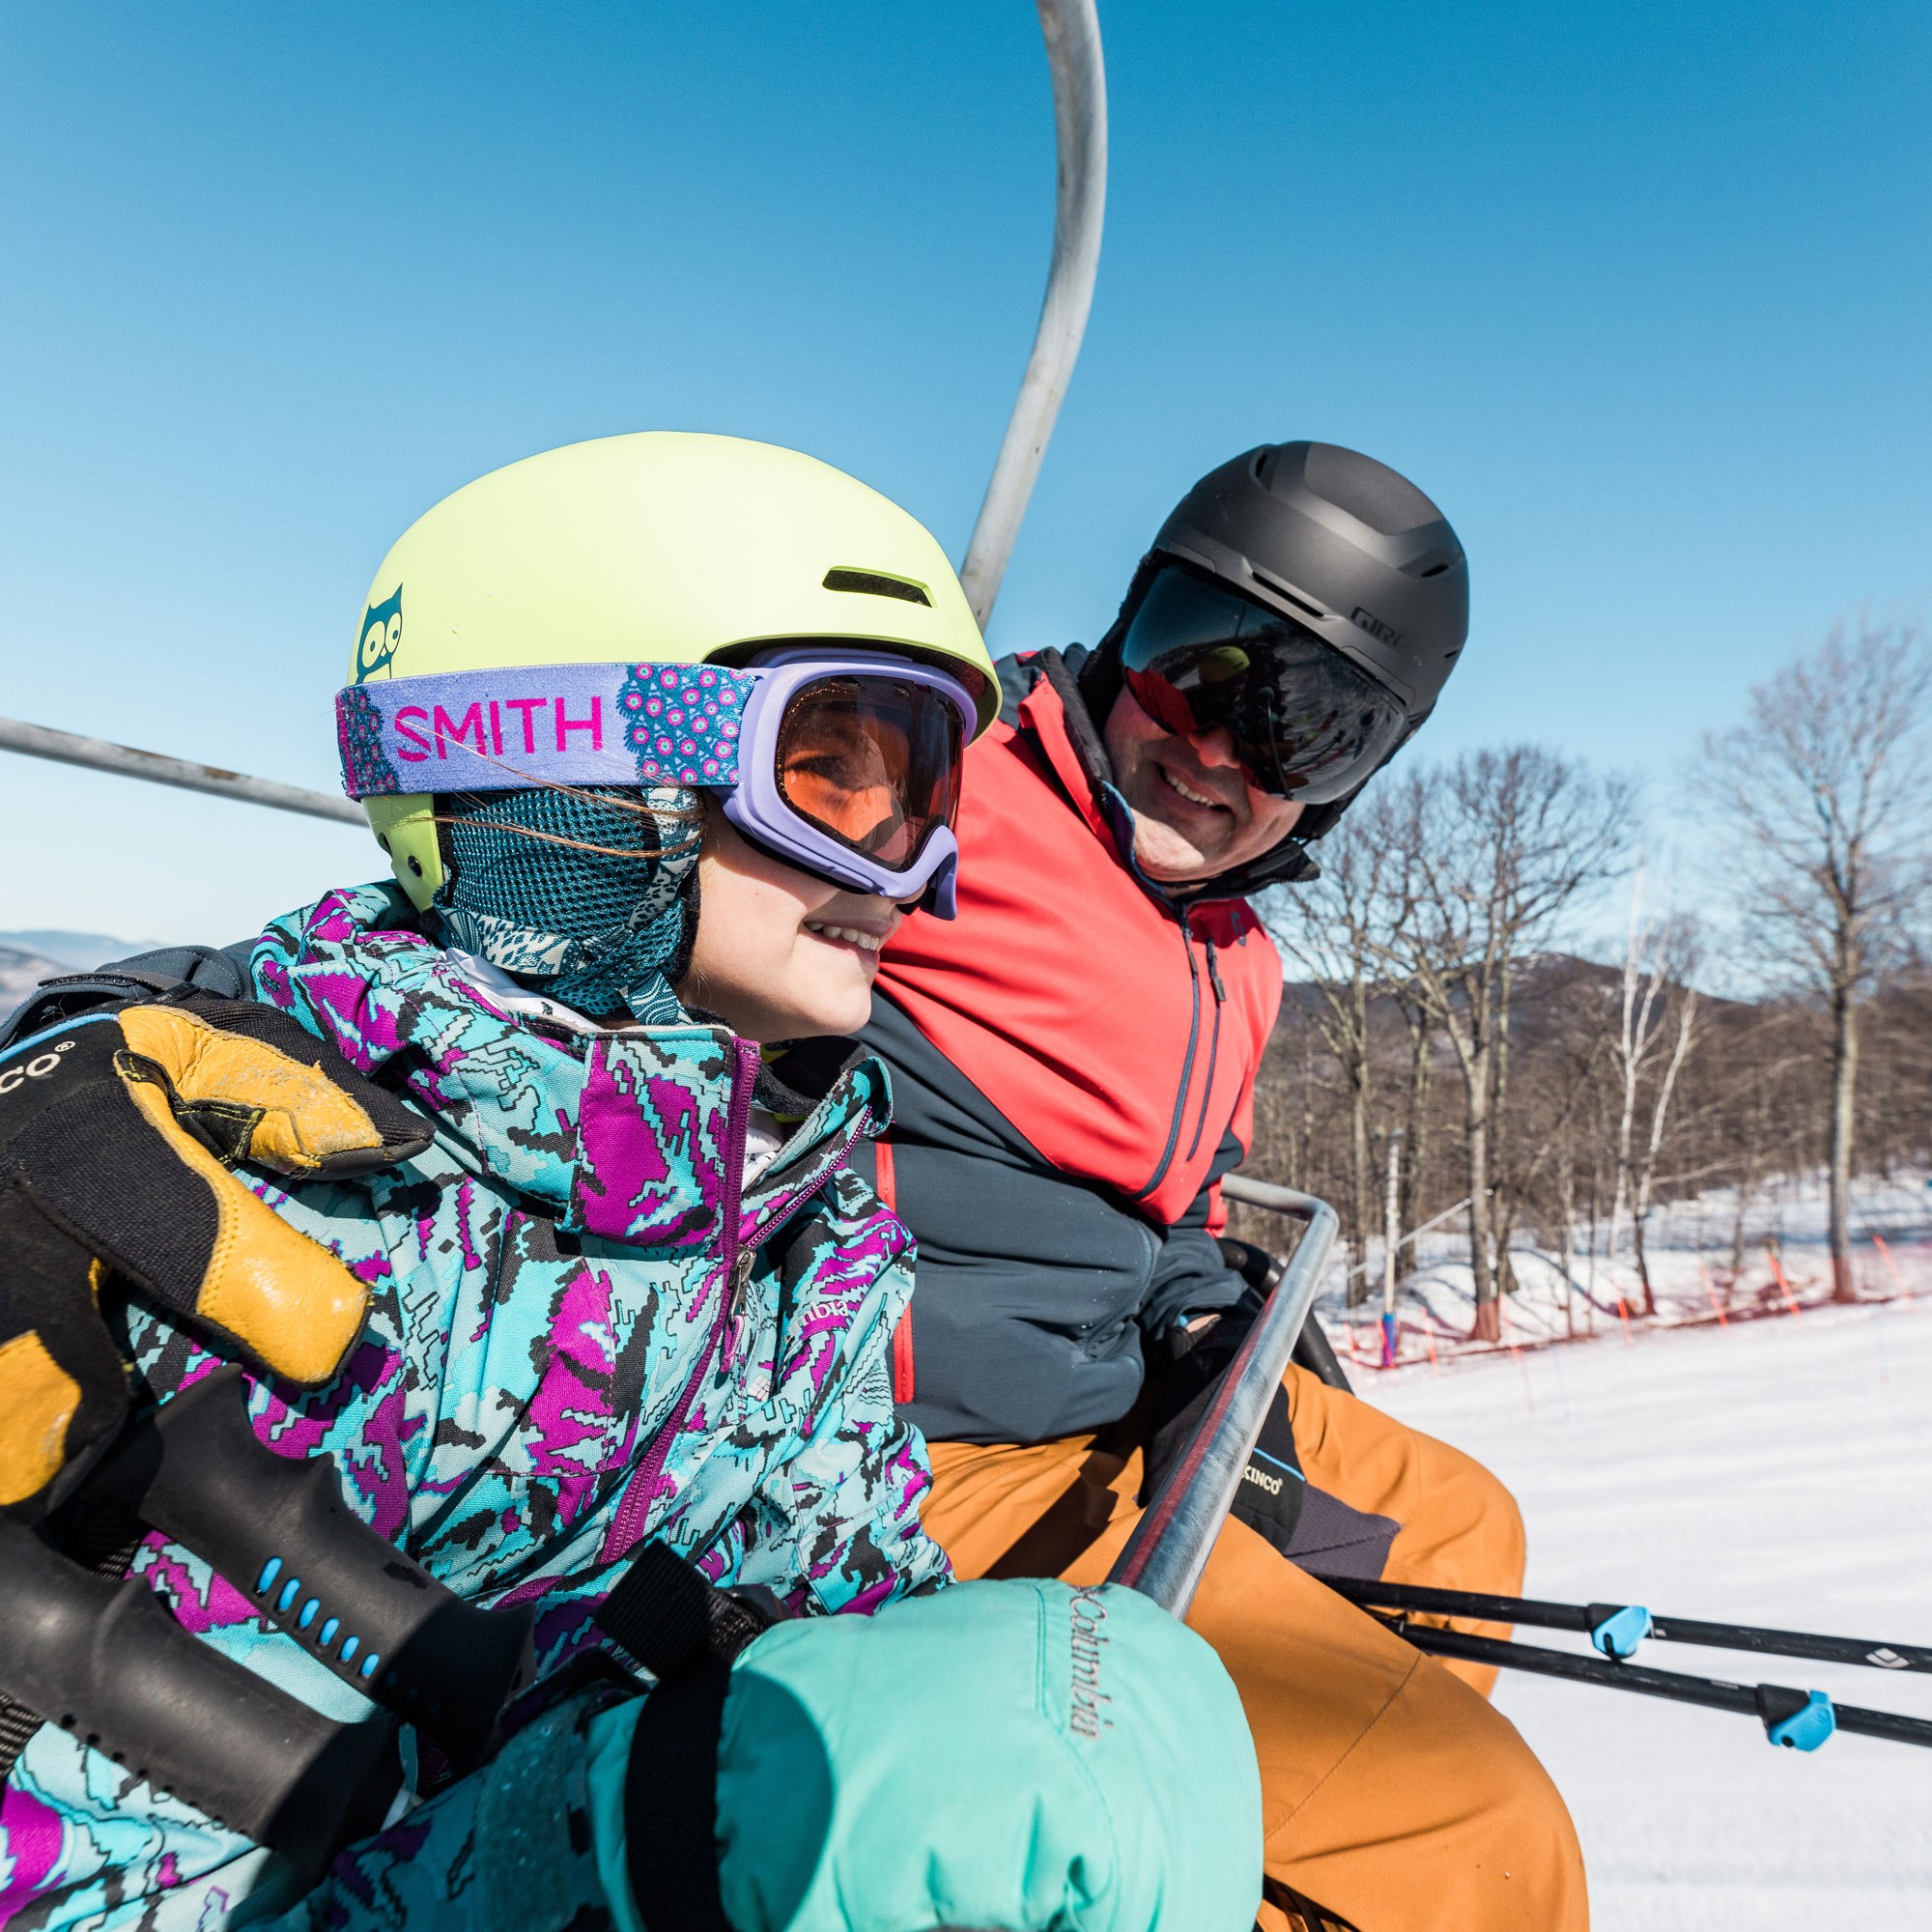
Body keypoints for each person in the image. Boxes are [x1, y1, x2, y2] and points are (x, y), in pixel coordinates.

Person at [0, 432, 1264, 1932]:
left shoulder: (800, 1191)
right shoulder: (218, 1178)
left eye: (922, 796)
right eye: (828, 772)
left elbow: (845, 1584)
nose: (901, 877)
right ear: (581, 771)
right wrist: (643, 1838)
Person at [858, 441, 1589, 1931]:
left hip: (1110, 1393)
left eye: (1305, 734)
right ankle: (1316, 1817)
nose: (1215, 755)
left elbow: (1176, 1209)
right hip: (925, 1436)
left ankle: (1215, 1857)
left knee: (1457, 1531)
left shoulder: (1233, 958)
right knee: (1476, 1827)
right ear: (1125, 631)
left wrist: (1209, 1320)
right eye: (1196, 670)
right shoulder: (950, 781)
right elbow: (666, 860)